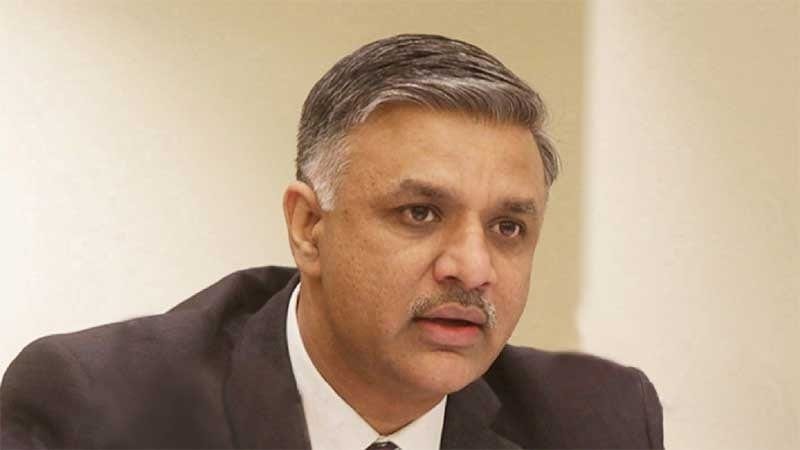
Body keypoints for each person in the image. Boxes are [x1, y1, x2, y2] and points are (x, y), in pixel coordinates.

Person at [1, 34, 663, 450]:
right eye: (420, 213)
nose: (472, 268)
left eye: (507, 228)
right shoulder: (97, 407)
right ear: (309, 228)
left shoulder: (599, 422)